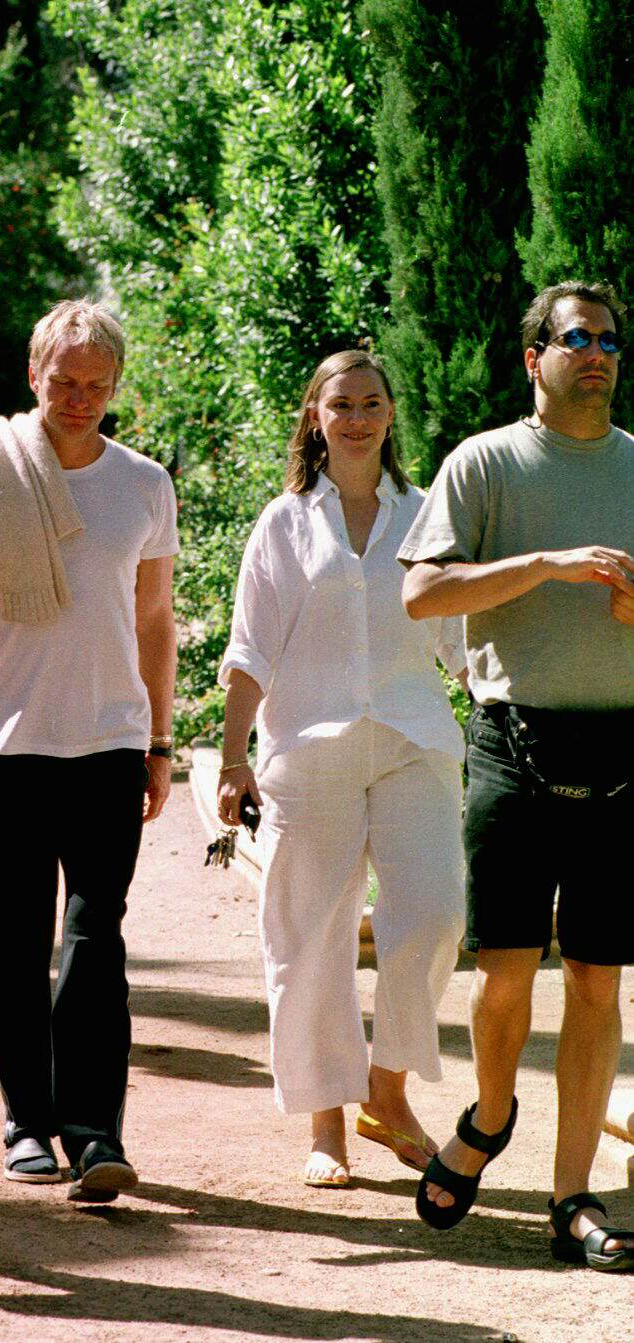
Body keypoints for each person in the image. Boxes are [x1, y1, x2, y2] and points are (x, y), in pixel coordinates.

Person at [0, 298, 178, 1202]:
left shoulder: (143, 483)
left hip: (109, 742)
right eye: (63, 382)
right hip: (9, 744)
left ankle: (96, 1130)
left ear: (114, 386)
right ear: (34, 376)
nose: (79, 398)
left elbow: (153, 618)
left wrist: (158, 738)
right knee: (14, 946)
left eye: (96, 385)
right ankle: (27, 1119)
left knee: (95, 936)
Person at [400, 280, 634, 1271]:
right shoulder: (482, 462)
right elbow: (421, 593)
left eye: (608, 339)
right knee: (502, 974)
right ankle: (488, 1115)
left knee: (594, 976)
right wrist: (539, 562)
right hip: (512, 736)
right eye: (574, 337)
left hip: (622, 751)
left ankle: (570, 1195)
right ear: (531, 355)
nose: (595, 353)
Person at [217, 349, 466, 1188]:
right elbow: (250, 650)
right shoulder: (283, 523)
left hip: (411, 743)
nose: (356, 417)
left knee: (434, 914)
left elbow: (460, 643)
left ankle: (385, 1092)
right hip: (309, 750)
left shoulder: (426, 515)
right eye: (340, 404)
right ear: (314, 417)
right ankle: (326, 1123)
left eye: (370, 402)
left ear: (390, 414)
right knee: (311, 936)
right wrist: (230, 755)